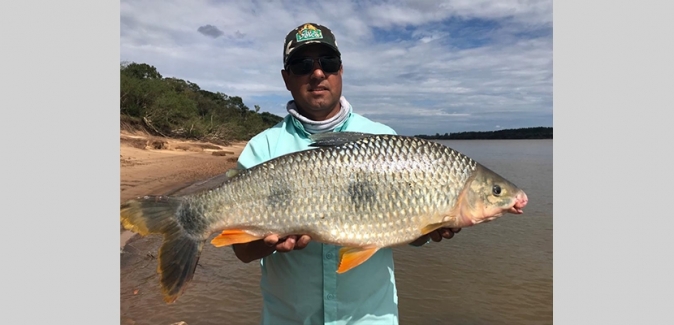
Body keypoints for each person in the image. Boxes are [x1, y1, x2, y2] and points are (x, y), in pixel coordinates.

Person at [232, 22, 461, 325]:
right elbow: (242, 251)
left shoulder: (384, 140)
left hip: (371, 318)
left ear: (340, 70)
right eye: (302, 65)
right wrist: (267, 241)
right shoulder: (262, 148)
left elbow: (405, 232)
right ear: (287, 78)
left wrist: (427, 227)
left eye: (328, 62)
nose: (317, 73)